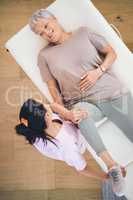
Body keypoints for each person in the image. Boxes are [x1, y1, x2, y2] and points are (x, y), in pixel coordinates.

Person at [28, 9, 133, 196]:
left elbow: (111, 53)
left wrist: (98, 71)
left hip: (111, 93)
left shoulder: (83, 33)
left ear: (54, 18)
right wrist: (63, 112)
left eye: (46, 26)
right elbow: (53, 90)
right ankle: (112, 167)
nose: (46, 32)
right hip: (81, 102)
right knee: (79, 114)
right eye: (40, 33)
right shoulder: (44, 56)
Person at [15, 98, 126, 196]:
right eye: (44, 105)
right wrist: (106, 177)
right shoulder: (66, 147)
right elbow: (82, 169)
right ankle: (112, 168)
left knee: (81, 110)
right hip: (78, 138)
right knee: (84, 114)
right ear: (47, 117)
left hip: (68, 124)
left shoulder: (37, 122)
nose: (45, 104)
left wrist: (67, 114)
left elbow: (52, 105)